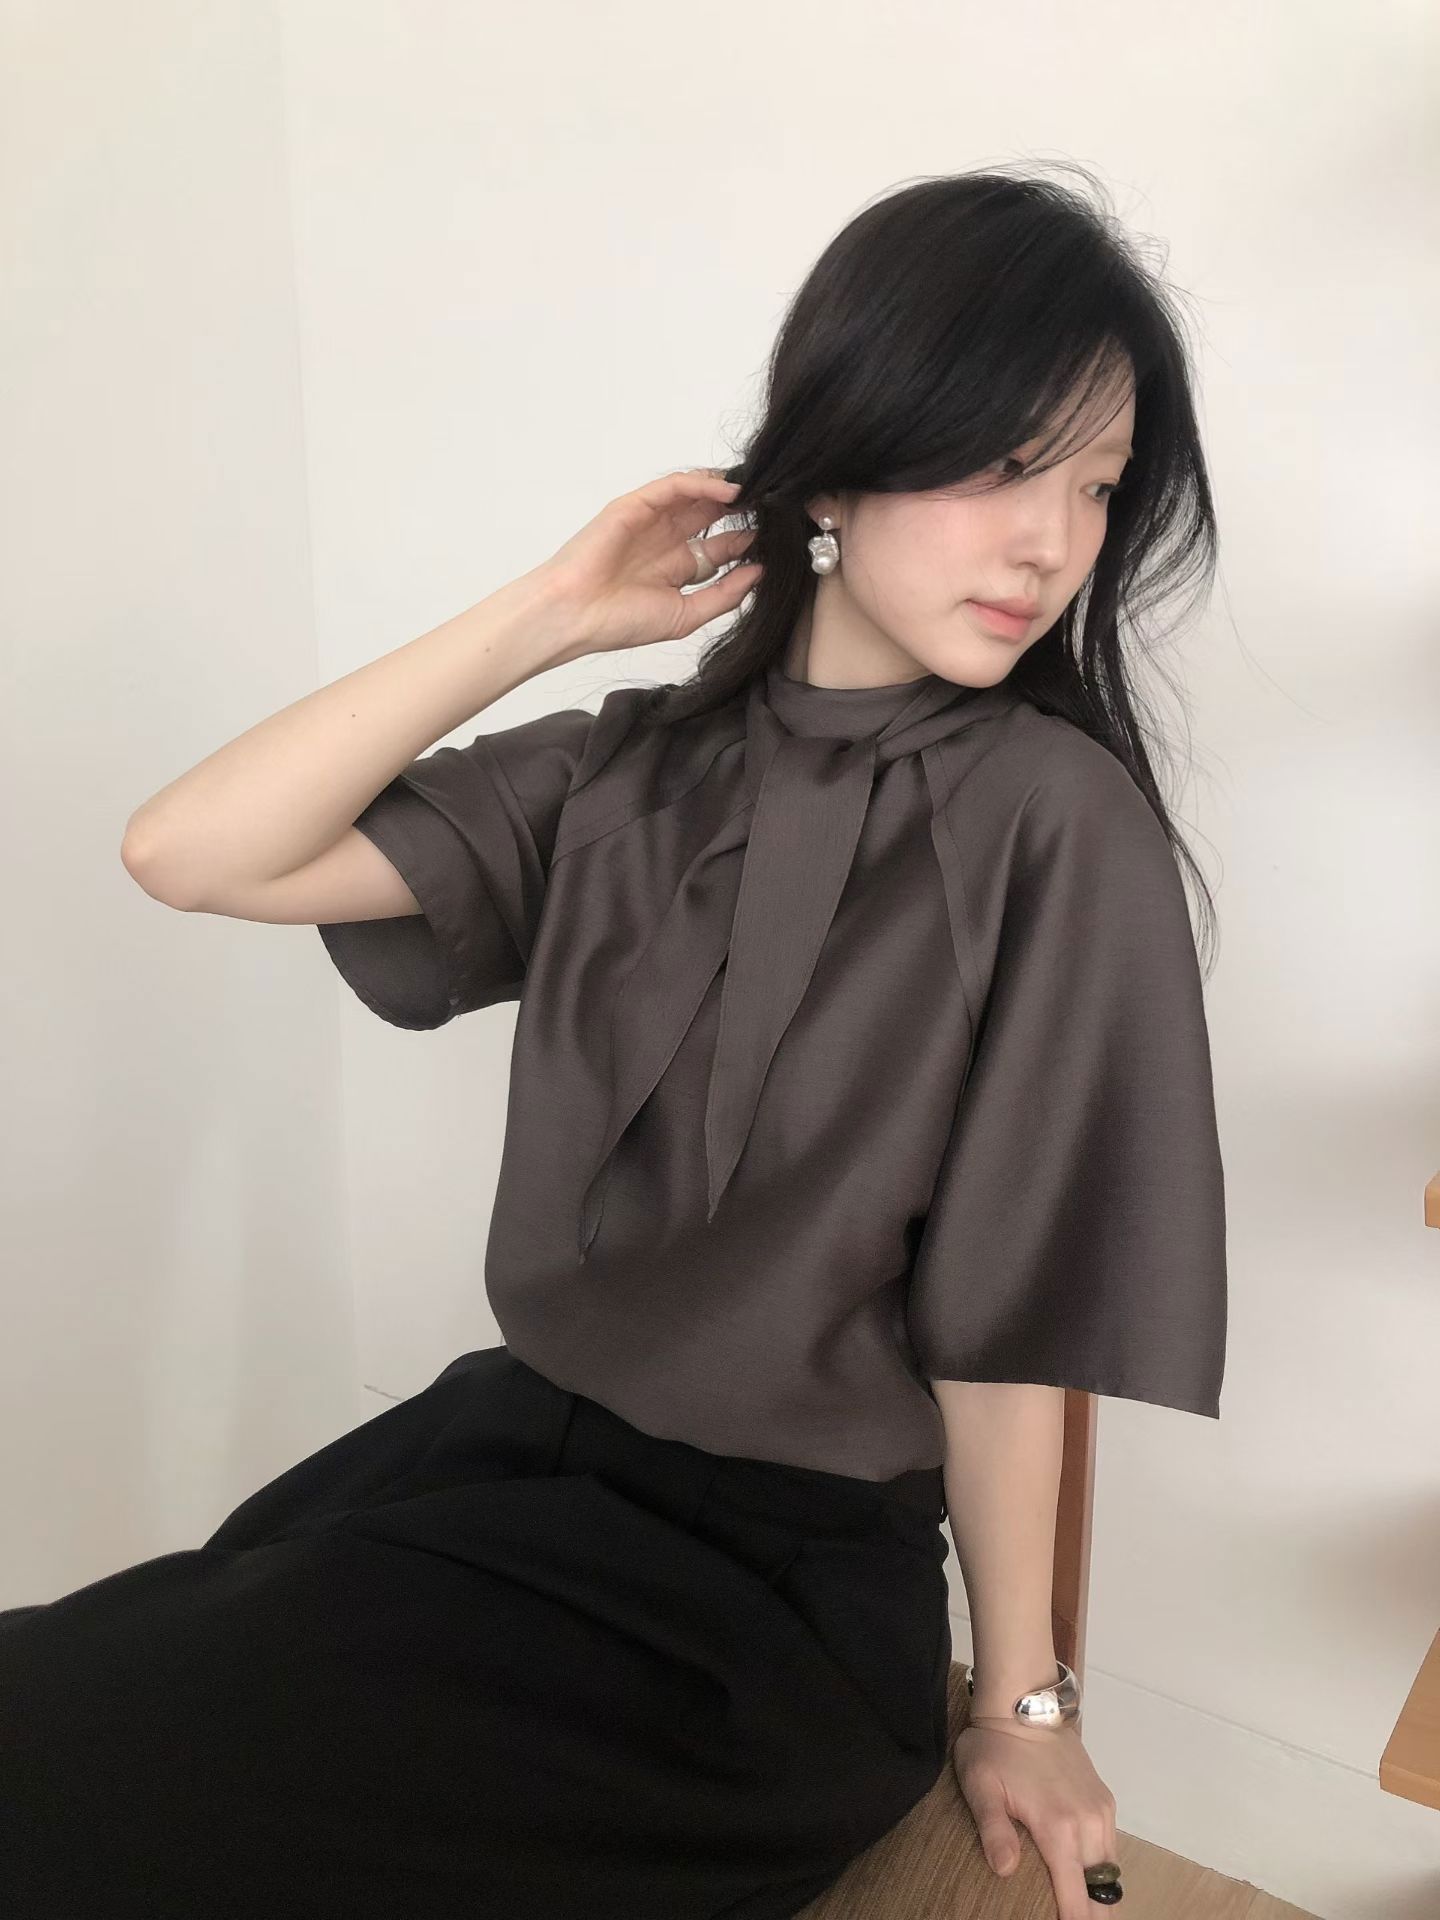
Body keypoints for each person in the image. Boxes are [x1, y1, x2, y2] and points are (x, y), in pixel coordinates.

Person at [0, 163, 1225, 1919]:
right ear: (838, 457)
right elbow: (190, 851)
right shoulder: (626, 769)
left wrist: (1023, 1703)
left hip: (761, 1607)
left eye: (1097, 486)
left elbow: (1011, 1320)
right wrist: (550, 613)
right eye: (1004, 463)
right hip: (496, 1461)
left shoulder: (1053, 819)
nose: (1052, 542)